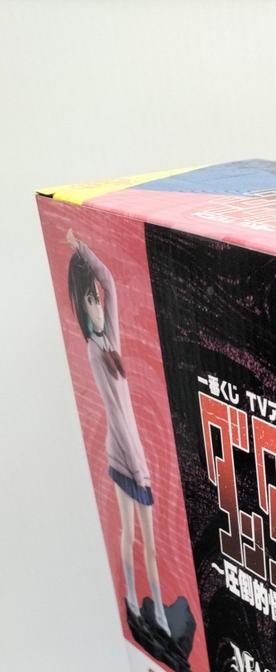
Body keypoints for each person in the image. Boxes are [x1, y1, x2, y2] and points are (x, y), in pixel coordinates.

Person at [66, 229, 171, 638]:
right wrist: (140, 468)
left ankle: (155, 613)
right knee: (133, 534)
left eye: (95, 300)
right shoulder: (95, 351)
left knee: (146, 540)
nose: (96, 306)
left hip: (131, 450)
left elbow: (108, 281)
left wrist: (82, 249)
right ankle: (136, 602)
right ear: (81, 309)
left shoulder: (111, 339)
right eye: (89, 302)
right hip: (124, 452)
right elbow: (118, 417)